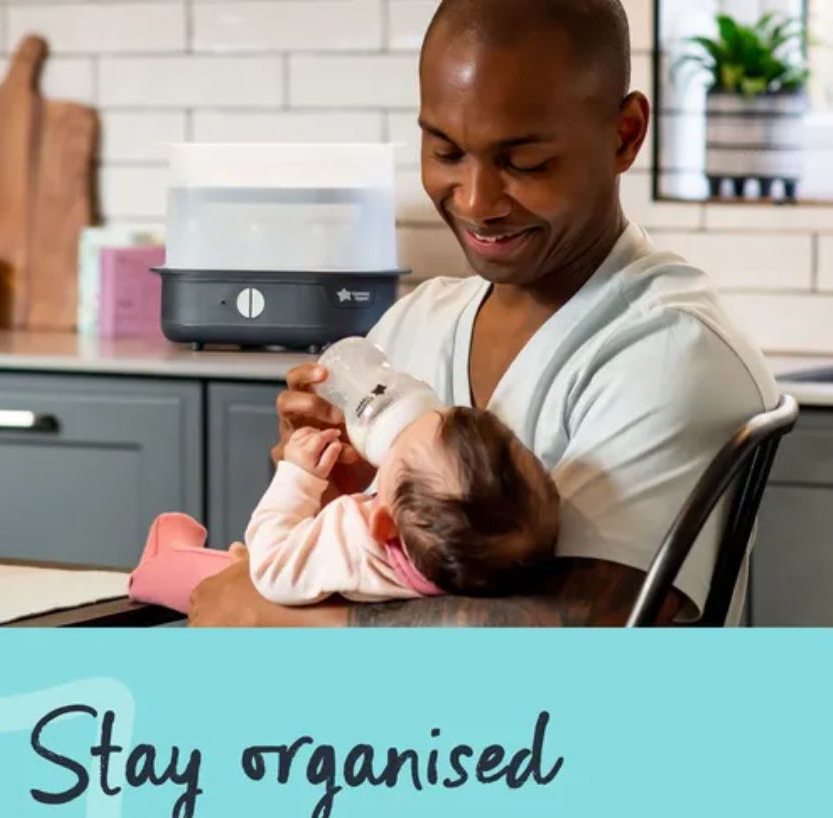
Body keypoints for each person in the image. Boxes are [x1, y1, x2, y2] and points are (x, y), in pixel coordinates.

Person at [188, 0, 777, 628]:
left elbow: (582, 636)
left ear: (624, 134)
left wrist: (272, 621)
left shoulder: (669, 352)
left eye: (524, 163)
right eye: (445, 153)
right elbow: (356, 569)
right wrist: (317, 491)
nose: (475, 200)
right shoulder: (412, 326)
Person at [129, 406, 559, 611]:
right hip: (308, 576)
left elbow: (270, 565)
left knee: (206, 574)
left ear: (384, 524)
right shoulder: (467, 556)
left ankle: (158, 562)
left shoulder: (351, 537)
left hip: (268, 581)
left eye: (391, 455)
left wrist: (297, 476)